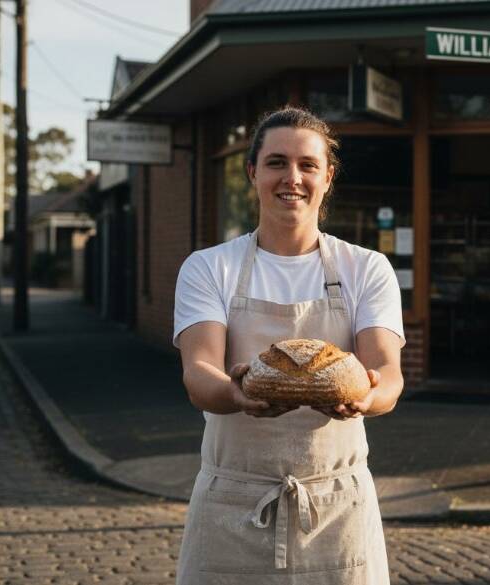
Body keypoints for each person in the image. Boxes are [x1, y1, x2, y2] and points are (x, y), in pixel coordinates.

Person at [172, 107, 404, 584]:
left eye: (307, 165)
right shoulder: (209, 267)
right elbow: (199, 371)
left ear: (328, 176)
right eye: (277, 162)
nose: (291, 178)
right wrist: (235, 395)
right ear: (252, 171)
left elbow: (388, 372)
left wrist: (368, 398)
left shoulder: (366, 268)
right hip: (233, 500)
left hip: (337, 507)